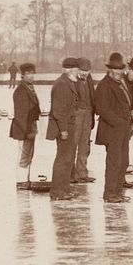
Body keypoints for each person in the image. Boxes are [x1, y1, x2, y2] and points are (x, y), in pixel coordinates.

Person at [94, 52, 133, 203]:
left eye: (120, 69)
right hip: (112, 131)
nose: (119, 72)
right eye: (115, 69)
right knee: (114, 163)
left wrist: (130, 115)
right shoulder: (104, 86)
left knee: (123, 162)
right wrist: (119, 122)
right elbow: (102, 109)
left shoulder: (121, 83)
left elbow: (127, 101)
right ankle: (110, 194)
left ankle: (117, 192)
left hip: (123, 129)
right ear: (109, 70)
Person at [46, 57, 80, 200]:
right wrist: (64, 129)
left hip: (69, 125)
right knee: (63, 159)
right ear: (71, 70)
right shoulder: (62, 84)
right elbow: (58, 110)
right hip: (64, 127)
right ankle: (57, 192)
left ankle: (64, 189)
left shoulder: (67, 82)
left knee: (68, 159)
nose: (78, 72)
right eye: (77, 70)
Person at [9, 62, 41, 189]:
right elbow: (21, 114)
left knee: (28, 155)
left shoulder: (29, 88)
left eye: (33, 73)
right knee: (24, 155)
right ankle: (21, 181)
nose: (31, 76)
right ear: (22, 75)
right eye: (28, 73)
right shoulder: (21, 90)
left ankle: (24, 180)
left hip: (30, 126)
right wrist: (26, 131)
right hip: (24, 128)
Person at [72, 57, 96, 184]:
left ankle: (82, 173)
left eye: (87, 71)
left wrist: (92, 115)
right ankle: (71, 174)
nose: (84, 73)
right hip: (77, 115)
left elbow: (93, 97)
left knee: (84, 145)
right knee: (73, 144)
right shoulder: (73, 80)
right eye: (82, 70)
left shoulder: (89, 80)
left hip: (88, 114)